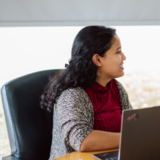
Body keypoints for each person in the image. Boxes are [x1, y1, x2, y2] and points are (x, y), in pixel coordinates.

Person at [40, 25, 132, 160]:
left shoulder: (116, 88)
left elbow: (130, 126)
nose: (124, 57)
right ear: (98, 60)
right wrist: (130, 138)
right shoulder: (72, 95)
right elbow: (82, 141)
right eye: (118, 52)